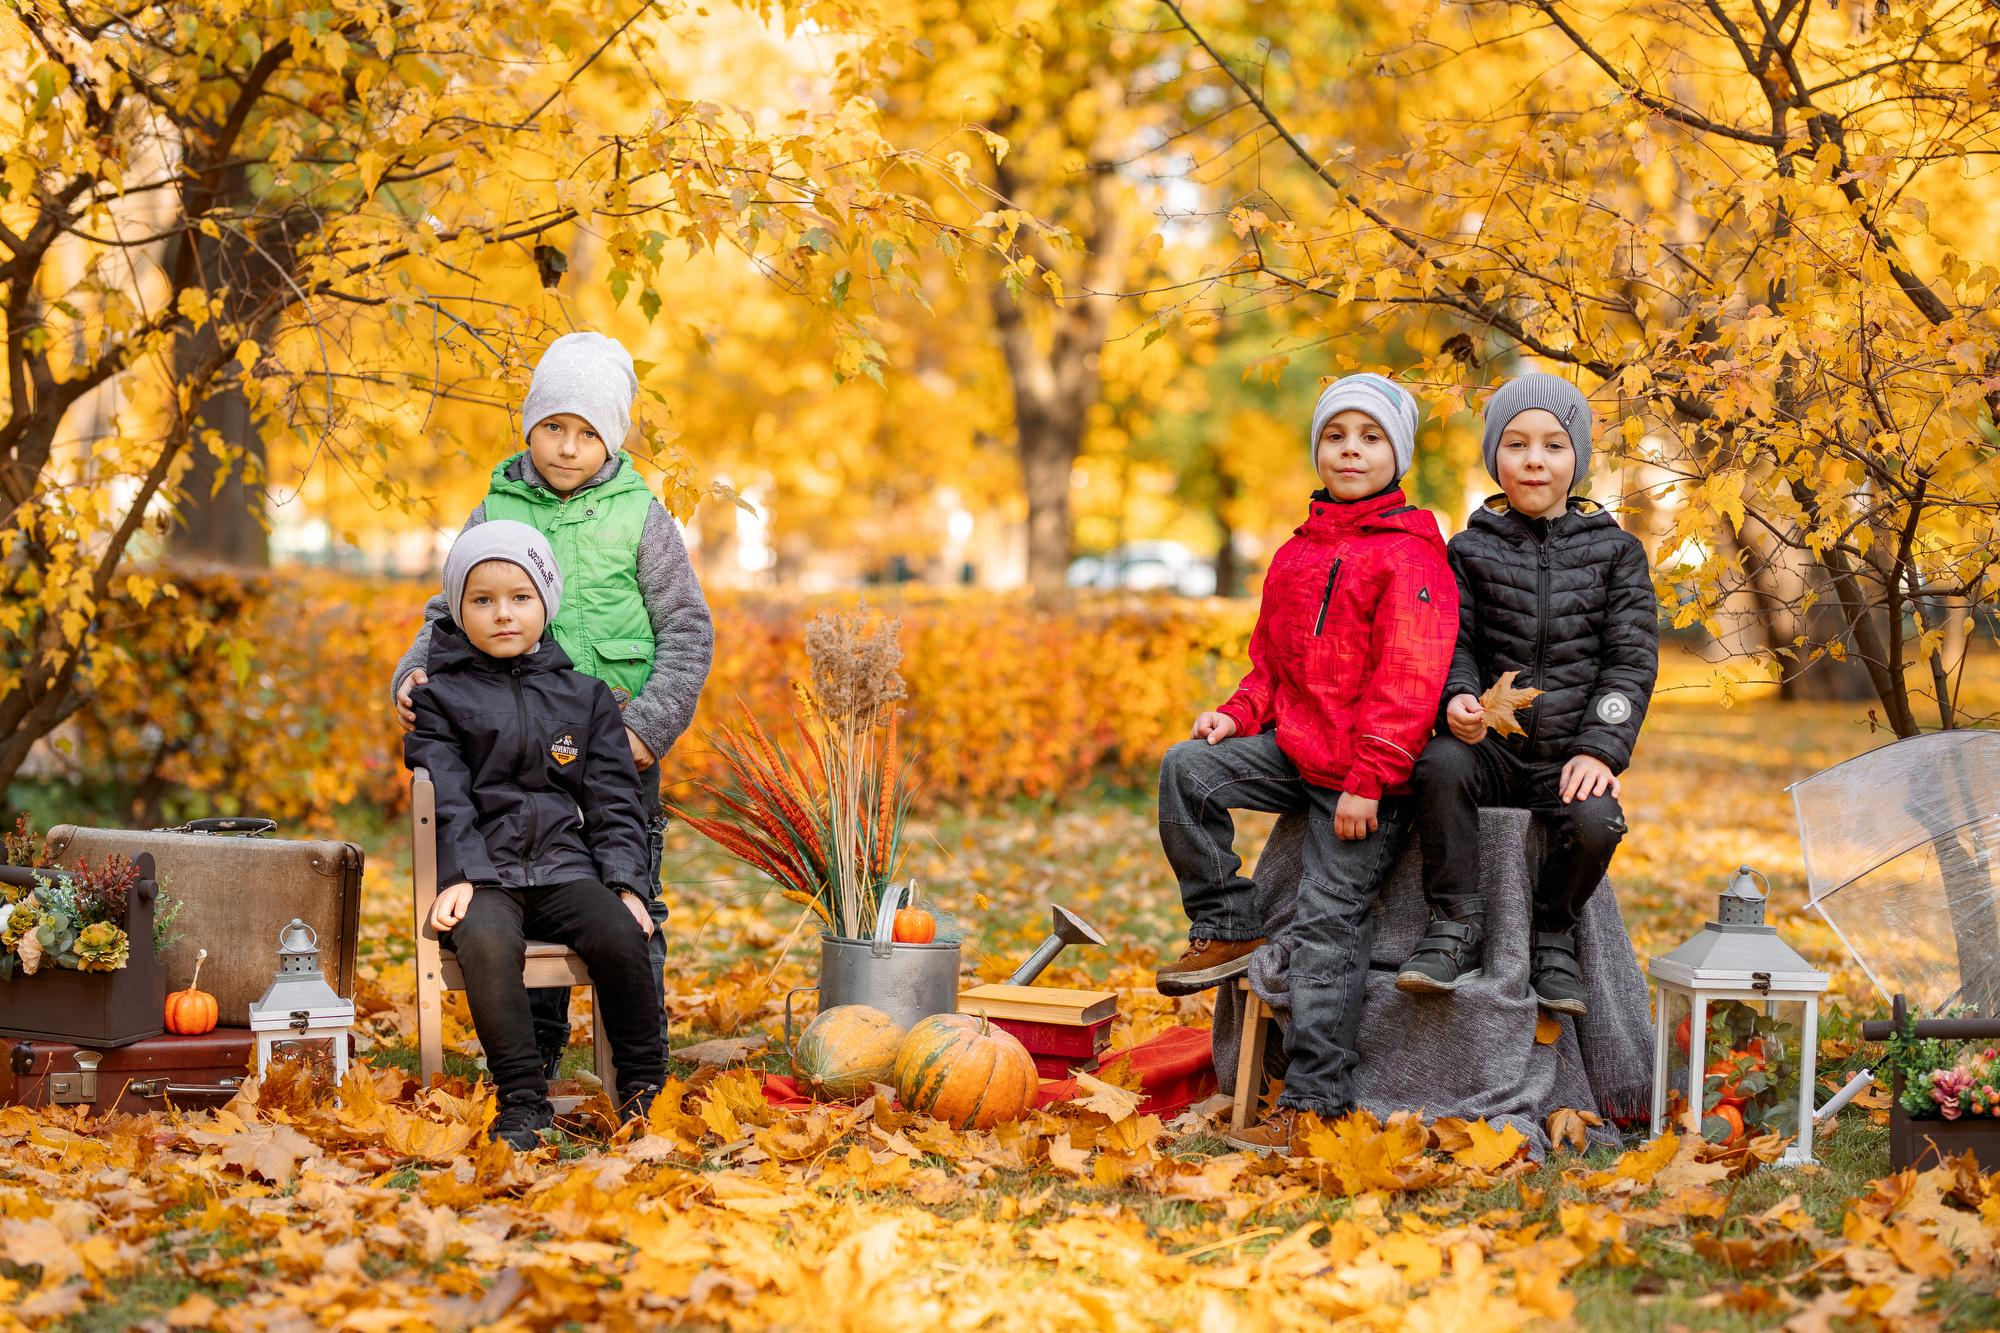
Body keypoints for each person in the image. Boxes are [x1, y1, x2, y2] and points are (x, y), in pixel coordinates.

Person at [1152, 372, 1459, 1155]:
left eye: (1370, 437)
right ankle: (1227, 922)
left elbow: (1411, 676)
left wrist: (1370, 779)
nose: (1350, 449)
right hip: (1298, 748)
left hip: (1365, 780)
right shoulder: (1297, 550)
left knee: (1328, 926)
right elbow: (1272, 665)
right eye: (1336, 435)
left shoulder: (1412, 554)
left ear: (1398, 453)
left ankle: (1317, 1099)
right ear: (1317, 449)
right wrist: (1236, 713)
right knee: (1188, 768)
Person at [392, 331, 713, 1077]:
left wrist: (646, 729)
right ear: (529, 426)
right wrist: (411, 675)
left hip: (615, 745)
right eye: (553, 427)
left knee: (628, 895)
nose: (568, 447)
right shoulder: (496, 506)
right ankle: (535, 1050)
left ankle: (638, 1055)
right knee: (523, 885)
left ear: (612, 439)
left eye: (588, 433)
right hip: (506, 747)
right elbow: (446, 610)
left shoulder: (640, 517)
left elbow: (688, 630)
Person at [1394, 372, 1658, 1017]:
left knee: (1598, 820)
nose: (1534, 459)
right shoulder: (1469, 550)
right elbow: (1453, 641)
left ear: (1578, 459)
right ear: (1495, 458)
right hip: (1491, 747)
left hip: (1567, 753)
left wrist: (1600, 749)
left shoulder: (1616, 554)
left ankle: (1554, 936)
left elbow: (1629, 660)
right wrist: (1457, 696)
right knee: (1438, 766)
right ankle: (1454, 923)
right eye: (1515, 444)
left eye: (1552, 445)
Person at [404, 520, 666, 1147]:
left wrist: (626, 884)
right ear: (458, 608)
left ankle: (643, 1086)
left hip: (564, 868)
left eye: (520, 597)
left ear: (545, 603)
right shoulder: (439, 699)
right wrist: (461, 876)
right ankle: (523, 1098)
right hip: (486, 874)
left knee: (620, 933)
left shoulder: (586, 696)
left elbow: (613, 799)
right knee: (487, 944)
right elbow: (448, 796)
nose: (502, 614)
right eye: (482, 600)